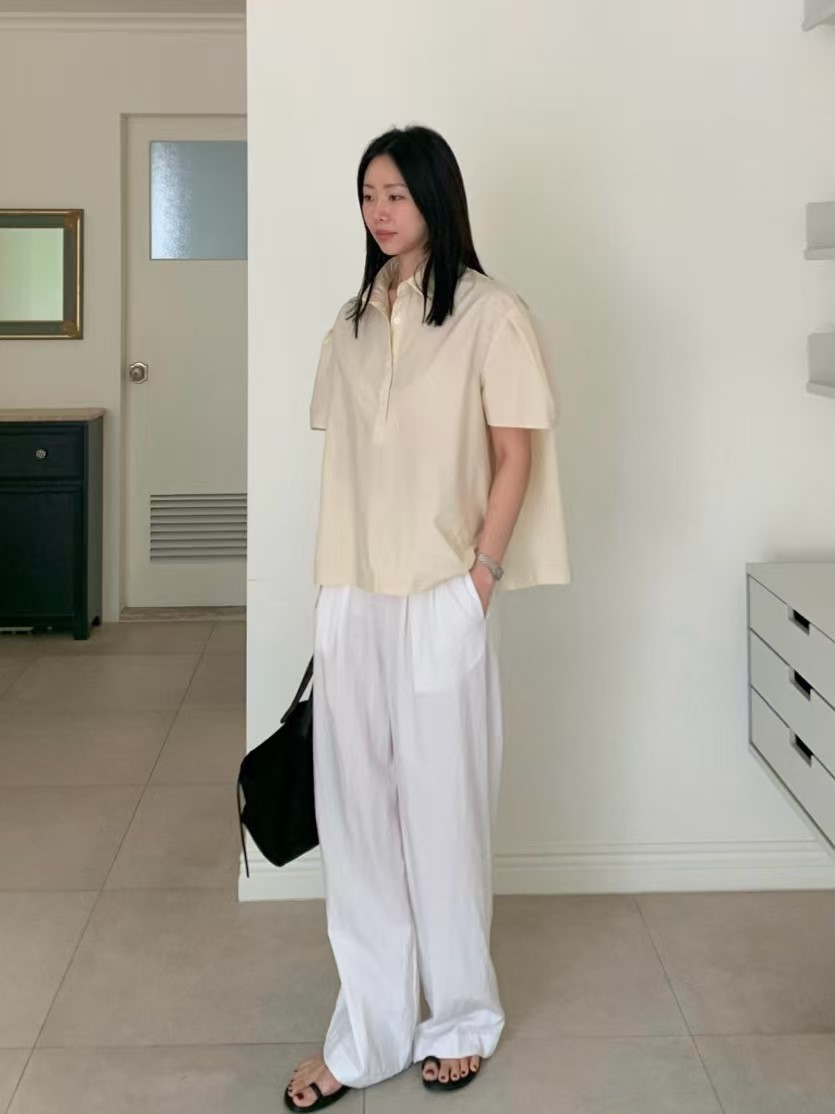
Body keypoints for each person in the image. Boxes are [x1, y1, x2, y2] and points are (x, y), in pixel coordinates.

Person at [285, 125, 570, 1111]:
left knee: (443, 819)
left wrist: (476, 581)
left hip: (441, 595)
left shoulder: (492, 315)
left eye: (397, 194)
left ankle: (460, 1021)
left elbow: (515, 456)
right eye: (368, 194)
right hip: (351, 595)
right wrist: (334, 598)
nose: (379, 211)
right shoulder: (351, 325)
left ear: (436, 198)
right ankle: (368, 1032)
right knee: (357, 823)